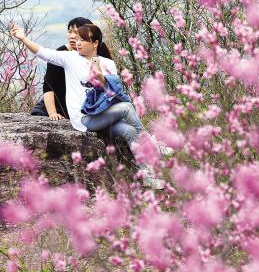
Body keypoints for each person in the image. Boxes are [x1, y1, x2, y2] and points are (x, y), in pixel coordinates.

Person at [9, 22, 164, 189]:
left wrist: (98, 73)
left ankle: (148, 175)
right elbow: (44, 53)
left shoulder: (108, 63)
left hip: (104, 114)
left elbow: (111, 91)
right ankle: (155, 145)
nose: (78, 43)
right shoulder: (70, 58)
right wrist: (23, 38)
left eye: (83, 40)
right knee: (126, 108)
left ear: (95, 43)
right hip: (85, 119)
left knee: (130, 131)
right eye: (78, 40)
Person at [30, 17, 94, 120]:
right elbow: (48, 86)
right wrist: (52, 113)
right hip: (54, 109)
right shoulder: (60, 55)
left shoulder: (92, 54)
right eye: (70, 32)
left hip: (76, 108)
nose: (72, 36)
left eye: (77, 32)